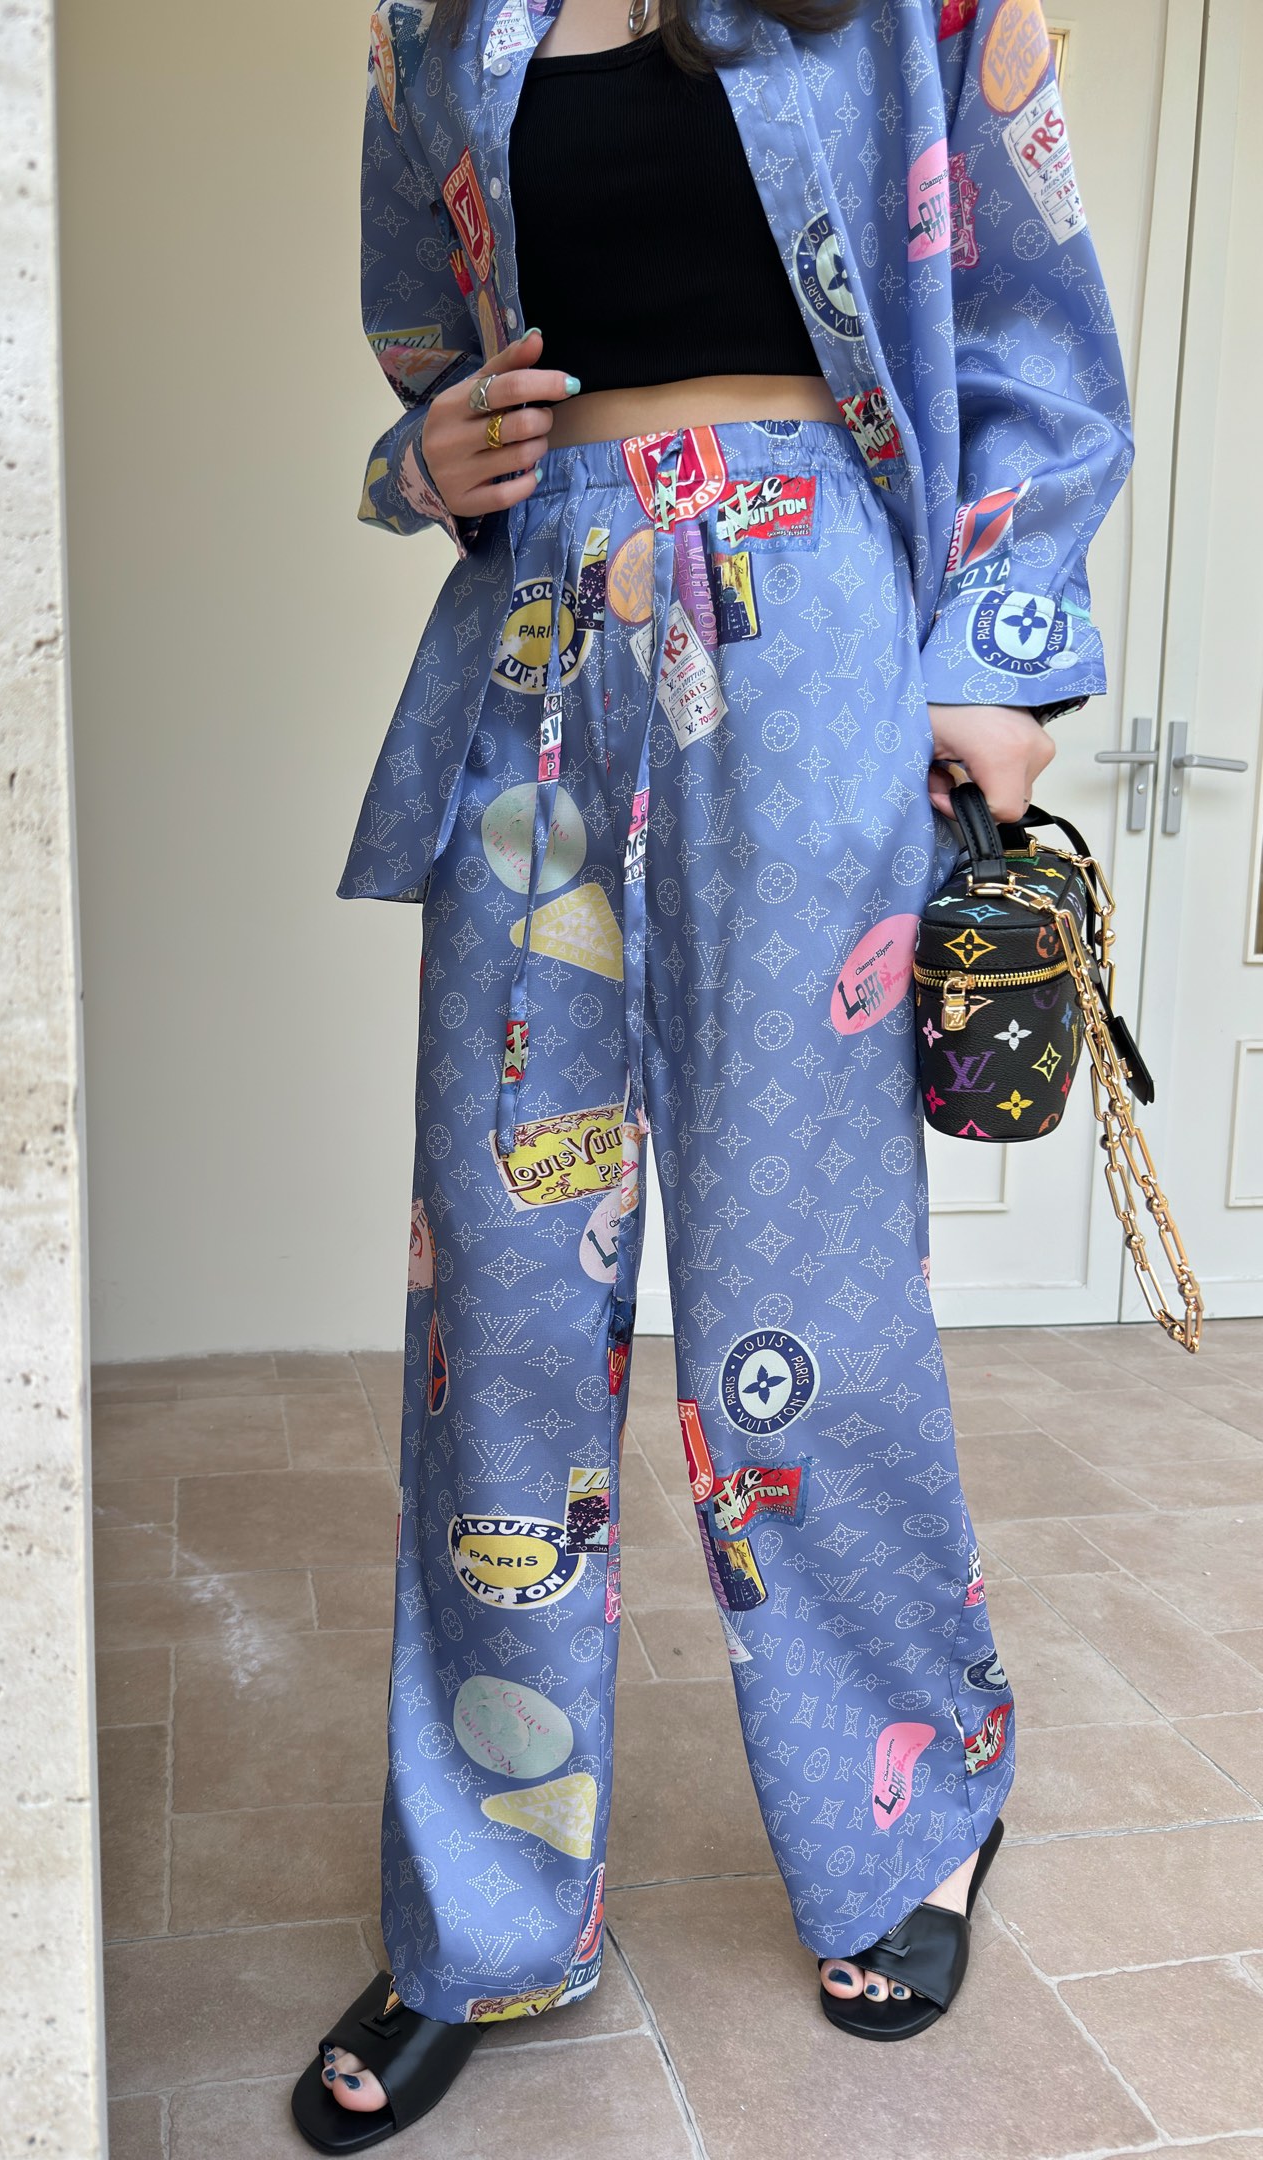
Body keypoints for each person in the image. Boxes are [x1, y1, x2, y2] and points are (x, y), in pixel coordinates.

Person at [293, 0, 1131, 2145]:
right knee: (498, 1304)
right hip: (541, 643)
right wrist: (425, 457)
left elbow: (1034, 325)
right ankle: (483, 1909)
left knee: (803, 1296)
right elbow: (424, 336)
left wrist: (997, 658)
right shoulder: (435, 24)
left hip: (814, 629)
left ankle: (914, 1812)